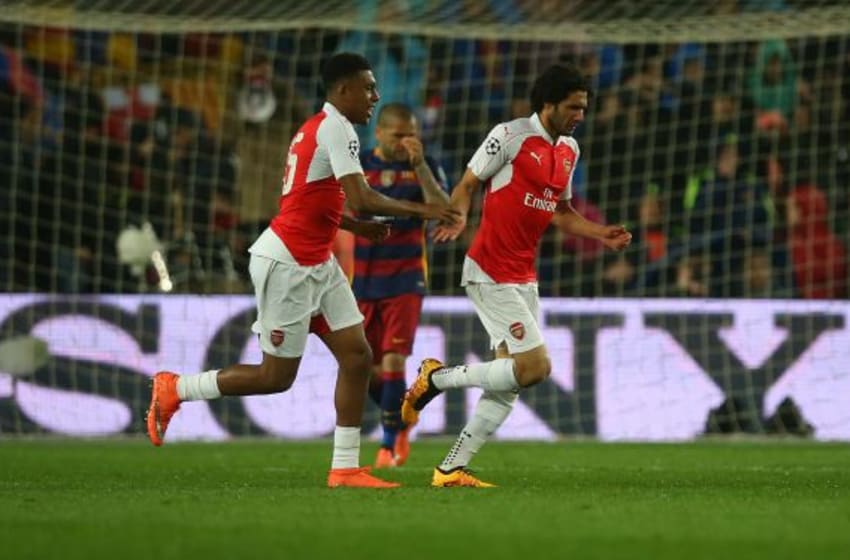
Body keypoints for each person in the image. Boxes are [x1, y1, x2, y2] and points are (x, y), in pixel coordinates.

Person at [145, 52, 459, 489]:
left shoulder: (318, 128)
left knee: (357, 355)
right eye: (368, 87)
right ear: (343, 89)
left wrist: (355, 226)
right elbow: (363, 196)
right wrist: (426, 210)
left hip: (316, 261)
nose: (376, 95)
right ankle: (176, 388)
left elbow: (311, 199)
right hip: (288, 263)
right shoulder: (336, 129)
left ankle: (345, 468)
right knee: (275, 377)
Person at [402, 63, 632, 488]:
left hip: (524, 275)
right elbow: (470, 182)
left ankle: (450, 468)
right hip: (489, 268)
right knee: (536, 367)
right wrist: (458, 215)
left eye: (584, 107)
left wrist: (601, 233)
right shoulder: (509, 136)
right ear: (548, 104)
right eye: (573, 106)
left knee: (510, 379)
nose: (580, 114)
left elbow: (560, 211)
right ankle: (435, 378)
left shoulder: (569, 151)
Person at [353, 103, 450, 468]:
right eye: (399, 136)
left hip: (406, 278)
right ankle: (405, 411)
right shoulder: (359, 164)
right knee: (363, 370)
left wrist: (420, 165)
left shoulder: (424, 164)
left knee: (394, 360)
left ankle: (389, 445)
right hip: (361, 280)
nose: (407, 142)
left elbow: (446, 209)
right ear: (378, 133)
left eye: (412, 134)